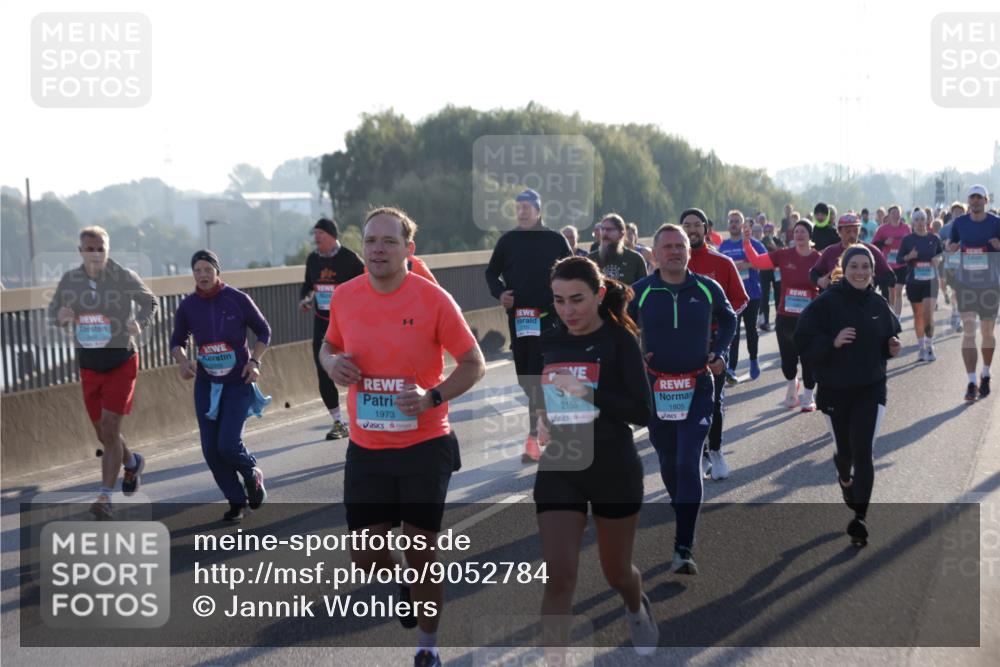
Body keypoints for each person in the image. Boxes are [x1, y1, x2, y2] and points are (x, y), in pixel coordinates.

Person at [320, 207, 485, 667]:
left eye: (389, 241)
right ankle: (405, 585)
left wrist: (433, 397)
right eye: (371, 240)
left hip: (424, 443)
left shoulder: (433, 300)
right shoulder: (346, 297)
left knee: (420, 548)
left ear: (408, 250)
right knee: (366, 555)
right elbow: (328, 345)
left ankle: (428, 646)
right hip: (367, 447)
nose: (377, 249)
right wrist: (331, 363)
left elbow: (474, 363)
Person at [533, 256, 658, 657]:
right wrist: (540, 419)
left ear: (599, 294)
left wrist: (588, 394)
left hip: (612, 466)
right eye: (559, 300)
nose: (567, 311)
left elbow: (642, 411)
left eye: (577, 300)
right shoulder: (548, 337)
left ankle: (636, 606)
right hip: (561, 463)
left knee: (616, 572)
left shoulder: (620, 340)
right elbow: (544, 395)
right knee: (559, 576)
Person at [629, 223, 737, 573]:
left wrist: (720, 353)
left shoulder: (707, 288)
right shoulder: (641, 291)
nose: (675, 252)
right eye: (668, 247)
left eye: (680, 246)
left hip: (698, 387)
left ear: (689, 252)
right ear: (655, 254)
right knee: (668, 460)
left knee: (688, 461)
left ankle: (683, 547)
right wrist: (634, 356)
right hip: (656, 389)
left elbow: (730, 319)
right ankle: (683, 508)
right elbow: (618, 325)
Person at [795, 245, 902, 547]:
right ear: (844, 268)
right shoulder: (827, 303)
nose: (860, 272)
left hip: (870, 386)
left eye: (865, 267)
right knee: (846, 453)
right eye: (854, 266)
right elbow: (802, 341)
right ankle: (844, 477)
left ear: (872, 271)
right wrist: (832, 342)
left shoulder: (878, 303)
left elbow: (889, 339)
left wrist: (892, 347)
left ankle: (860, 518)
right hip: (834, 389)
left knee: (864, 450)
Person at [49, 225, 158, 519]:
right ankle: (132, 462)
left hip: (121, 362)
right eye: (89, 249)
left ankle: (105, 498)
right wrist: (61, 317)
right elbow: (54, 312)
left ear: (107, 250)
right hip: (89, 366)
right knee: (104, 434)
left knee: (110, 430)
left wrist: (140, 323)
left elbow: (150, 301)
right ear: (80, 251)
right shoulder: (70, 281)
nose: (95, 254)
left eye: (100, 248)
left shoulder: (123, 276)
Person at [170, 250, 271, 522]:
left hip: (237, 382)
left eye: (207, 270)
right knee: (210, 450)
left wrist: (254, 361)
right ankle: (236, 501)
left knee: (227, 444)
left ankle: (251, 473)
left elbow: (264, 331)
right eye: (197, 271)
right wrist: (183, 361)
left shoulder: (237, 300)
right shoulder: (188, 306)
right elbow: (177, 341)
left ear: (217, 272)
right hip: (206, 384)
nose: (202, 275)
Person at [485, 189, 573, 462]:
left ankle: (538, 436)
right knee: (527, 379)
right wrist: (500, 294)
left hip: (552, 320)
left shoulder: (555, 239)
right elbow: (491, 272)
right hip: (521, 320)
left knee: (545, 376)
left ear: (538, 210)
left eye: (527, 207)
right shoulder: (508, 241)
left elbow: (574, 270)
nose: (522, 211)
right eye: (518, 207)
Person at [680, 208, 748, 480]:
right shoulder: (672, 266)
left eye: (697, 225)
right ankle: (699, 454)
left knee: (712, 400)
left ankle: (716, 452)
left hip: (714, 341)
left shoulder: (722, 262)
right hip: (681, 344)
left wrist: (721, 325)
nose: (692, 230)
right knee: (684, 402)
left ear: (706, 230)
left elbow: (740, 301)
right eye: (687, 225)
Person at [742, 219, 822, 410]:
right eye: (797, 231)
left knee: (809, 358)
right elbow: (757, 262)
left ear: (810, 235)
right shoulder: (784, 255)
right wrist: (747, 242)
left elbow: (828, 279)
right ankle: (792, 385)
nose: (799, 235)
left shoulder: (818, 258)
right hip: (785, 316)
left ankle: (809, 397)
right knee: (788, 358)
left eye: (803, 231)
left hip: (809, 318)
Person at [299, 218, 365, 440]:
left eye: (321, 234)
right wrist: (307, 299)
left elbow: (368, 284)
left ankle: (365, 417)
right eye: (315, 233)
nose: (316, 237)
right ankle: (338, 422)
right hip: (323, 323)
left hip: (350, 323)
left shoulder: (350, 259)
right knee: (323, 368)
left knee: (361, 368)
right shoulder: (312, 260)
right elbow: (308, 287)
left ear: (332, 236)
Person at [947, 185, 1000, 401]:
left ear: (986, 201)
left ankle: (985, 373)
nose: (976, 201)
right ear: (968, 201)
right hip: (966, 285)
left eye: (980, 198)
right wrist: (951, 248)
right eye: (972, 198)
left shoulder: (996, 223)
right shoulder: (959, 223)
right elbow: (950, 245)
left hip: (990, 286)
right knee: (969, 331)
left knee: (987, 333)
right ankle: (971, 381)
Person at [719, 211, 766, 380]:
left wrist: (745, 264)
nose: (733, 224)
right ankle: (731, 368)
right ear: (728, 224)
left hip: (752, 293)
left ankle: (753, 359)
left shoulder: (751, 243)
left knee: (751, 330)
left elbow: (764, 259)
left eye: (737, 221)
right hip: (732, 296)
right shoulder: (723, 247)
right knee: (734, 332)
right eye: (731, 221)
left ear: (742, 224)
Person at [897, 210, 944, 361]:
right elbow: (898, 260)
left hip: (931, 281)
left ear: (927, 221)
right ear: (913, 222)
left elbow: (941, 254)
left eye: (922, 219)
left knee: (928, 314)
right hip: (913, 282)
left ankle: (930, 346)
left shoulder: (934, 238)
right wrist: (908, 257)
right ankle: (921, 347)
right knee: (918, 315)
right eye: (916, 219)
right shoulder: (907, 240)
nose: (920, 222)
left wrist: (938, 258)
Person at [810, 214, 895, 292]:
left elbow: (891, 278)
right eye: (848, 231)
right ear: (839, 232)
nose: (852, 235)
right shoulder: (830, 251)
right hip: (836, 302)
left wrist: (872, 280)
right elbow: (813, 273)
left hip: (863, 302)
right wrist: (820, 280)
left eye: (855, 231)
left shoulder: (871, 251)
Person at [872, 205, 912, 317]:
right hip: (888, 265)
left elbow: (912, 243)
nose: (895, 215)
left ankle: (897, 317)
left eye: (897, 212)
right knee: (892, 292)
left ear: (900, 214)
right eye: (893, 213)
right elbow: (874, 245)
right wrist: (885, 242)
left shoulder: (906, 228)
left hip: (902, 263)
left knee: (899, 291)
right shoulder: (882, 229)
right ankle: (891, 313)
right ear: (888, 216)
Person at [588, 214, 648, 285]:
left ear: (621, 233)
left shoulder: (635, 259)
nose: (605, 233)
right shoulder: (591, 259)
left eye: (609, 229)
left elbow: (644, 288)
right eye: (602, 229)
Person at [940, 201, 968, 332]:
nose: (958, 214)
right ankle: (955, 311)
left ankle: (959, 319)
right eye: (955, 212)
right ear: (951, 214)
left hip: (965, 265)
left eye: (960, 212)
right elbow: (938, 245)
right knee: (955, 292)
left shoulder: (970, 227)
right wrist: (946, 245)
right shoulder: (945, 229)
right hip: (950, 264)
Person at [758, 218, 784, 332]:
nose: (768, 232)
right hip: (764, 271)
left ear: (774, 230)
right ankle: (766, 321)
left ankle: (779, 320)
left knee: (778, 295)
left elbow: (782, 253)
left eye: (770, 230)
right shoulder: (761, 242)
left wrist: (773, 246)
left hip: (776, 271)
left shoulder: (777, 240)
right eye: (766, 230)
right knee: (765, 296)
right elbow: (759, 254)